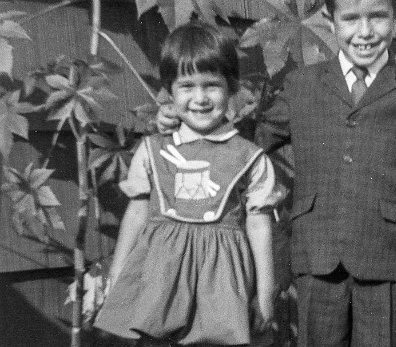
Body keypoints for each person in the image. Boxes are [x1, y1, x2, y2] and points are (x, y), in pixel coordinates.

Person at [157, 0, 396, 347]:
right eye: (351, 19)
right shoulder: (303, 86)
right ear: (330, 21)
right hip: (317, 252)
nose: (365, 32)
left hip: (385, 257)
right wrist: (185, 124)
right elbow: (247, 144)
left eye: (378, 17)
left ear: (394, 18)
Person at [94, 22, 277, 346]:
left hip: (221, 286)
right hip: (158, 283)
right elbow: (136, 216)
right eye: (187, 86)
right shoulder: (153, 151)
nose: (200, 98)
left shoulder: (249, 158)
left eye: (211, 85)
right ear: (170, 91)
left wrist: (264, 292)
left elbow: (259, 226)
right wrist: (116, 275)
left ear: (232, 87)